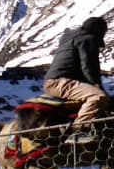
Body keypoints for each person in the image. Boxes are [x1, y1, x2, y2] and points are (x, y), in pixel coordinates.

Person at [44, 16, 109, 145]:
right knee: (97, 97)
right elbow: (89, 67)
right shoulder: (88, 39)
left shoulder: (70, 38)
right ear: (99, 32)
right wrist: (98, 87)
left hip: (53, 82)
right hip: (61, 82)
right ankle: (78, 132)